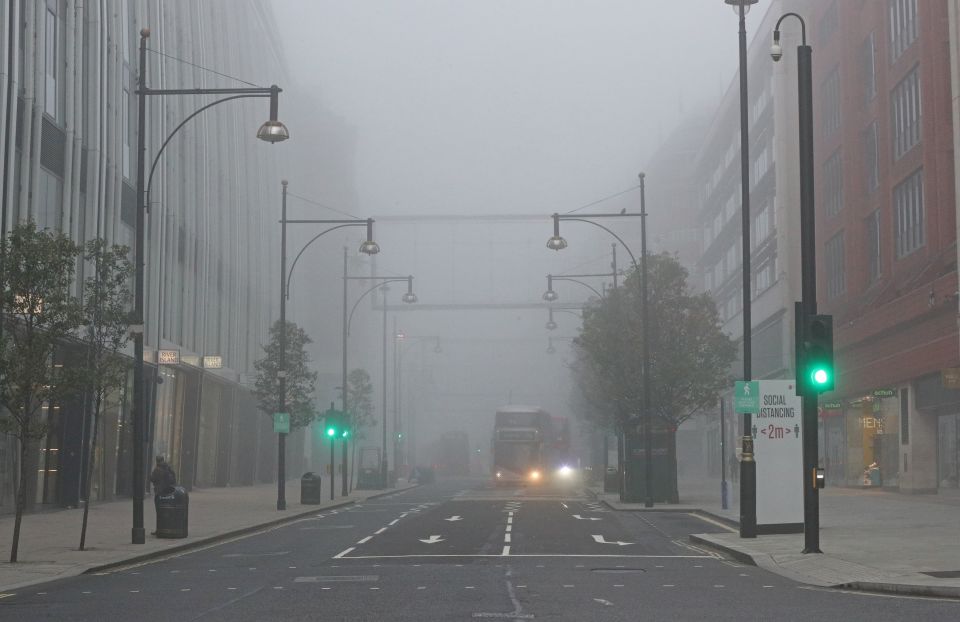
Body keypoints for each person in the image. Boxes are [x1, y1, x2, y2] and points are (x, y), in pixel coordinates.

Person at [150, 456, 177, 535]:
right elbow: (174, 479)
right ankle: (168, 528)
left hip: (159, 493)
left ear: (157, 461)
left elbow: (152, 479)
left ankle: (160, 529)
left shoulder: (157, 469)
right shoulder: (169, 468)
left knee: (159, 512)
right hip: (168, 493)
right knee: (167, 511)